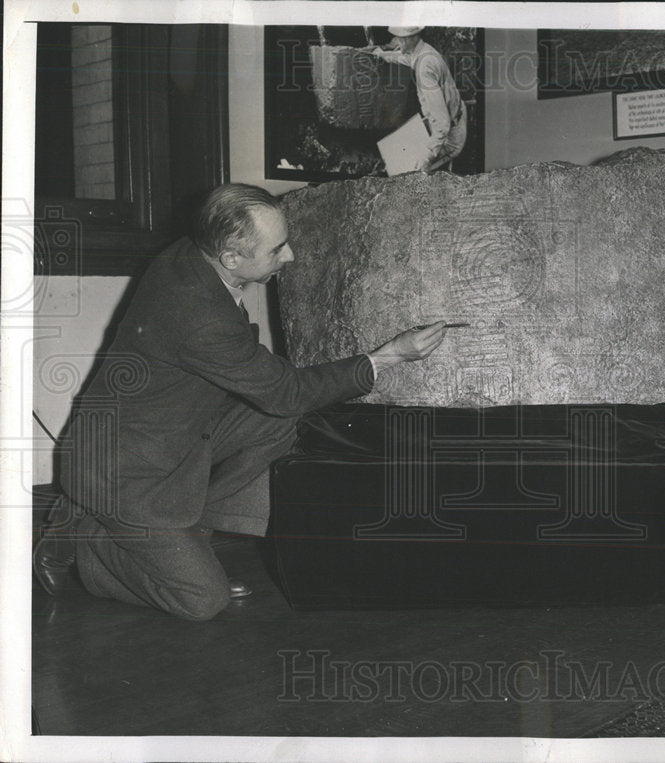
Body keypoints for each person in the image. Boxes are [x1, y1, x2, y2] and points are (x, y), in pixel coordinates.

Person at [33, 183, 448, 620]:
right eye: (277, 249)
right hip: (121, 473)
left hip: (163, 437)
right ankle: (85, 541)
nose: (289, 258)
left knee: (283, 424)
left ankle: (178, 534)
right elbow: (287, 391)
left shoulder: (194, 255)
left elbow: (277, 397)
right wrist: (390, 355)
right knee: (202, 601)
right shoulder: (197, 312)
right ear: (231, 257)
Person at [368, 26, 467, 172]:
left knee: (406, 172)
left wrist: (427, 157)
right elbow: (406, 58)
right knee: (393, 150)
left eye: (399, 38)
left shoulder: (425, 69)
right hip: (452, 118)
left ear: (410, 39)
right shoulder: (423, 51)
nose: (396, 42)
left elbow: (442, 123)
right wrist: (382, 54)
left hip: (450, 137)